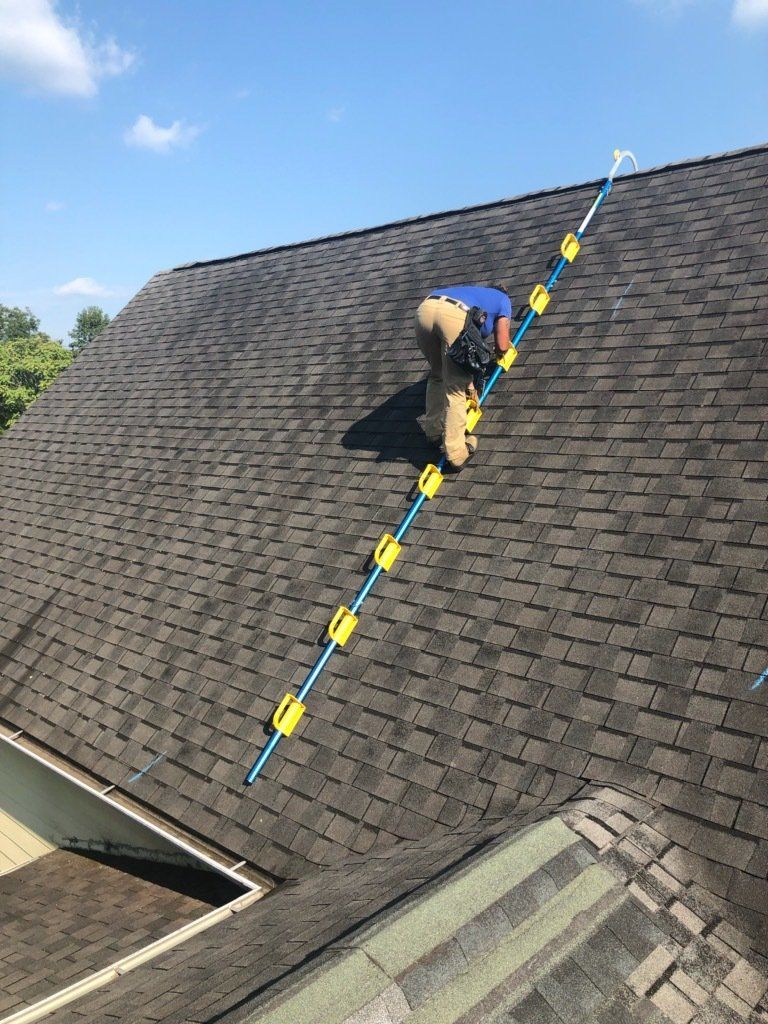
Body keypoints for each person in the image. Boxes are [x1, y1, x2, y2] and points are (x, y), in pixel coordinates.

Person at [415, 284, 513, 470]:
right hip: (453, 315)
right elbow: (501, 345)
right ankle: (456, 454)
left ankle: (434, 432)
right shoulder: (503, 300)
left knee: (437, 375)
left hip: (424, 311)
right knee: (456, 389)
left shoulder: (476, 293)